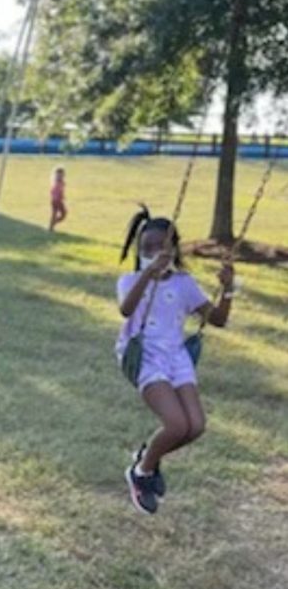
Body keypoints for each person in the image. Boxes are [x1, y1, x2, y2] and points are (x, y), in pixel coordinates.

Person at [116, 206, 235, 514]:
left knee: (195, 427)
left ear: (173, 250)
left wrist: (228, 288)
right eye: (147, 249)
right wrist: (148, 274)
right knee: (176, 424)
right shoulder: (130, 280)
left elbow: (218, 319)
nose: (154, 254)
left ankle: (147, 457)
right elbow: (126, 310)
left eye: (160, 248)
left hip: (176, 356)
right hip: (144, 355)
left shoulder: (184, 284)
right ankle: (141, 472)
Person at [49, 166, 67, 231]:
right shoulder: (56, 182)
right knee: (56, 213)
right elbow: (52, 191)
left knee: (63, 214)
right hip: (56, 200)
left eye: (62, 175)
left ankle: (52, 224)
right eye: (59, 175)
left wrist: (62, 196)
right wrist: (56, 197)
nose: (60, 176)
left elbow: (61, 190)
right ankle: (51, 226)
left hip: (59, 200)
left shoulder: (62, 182)